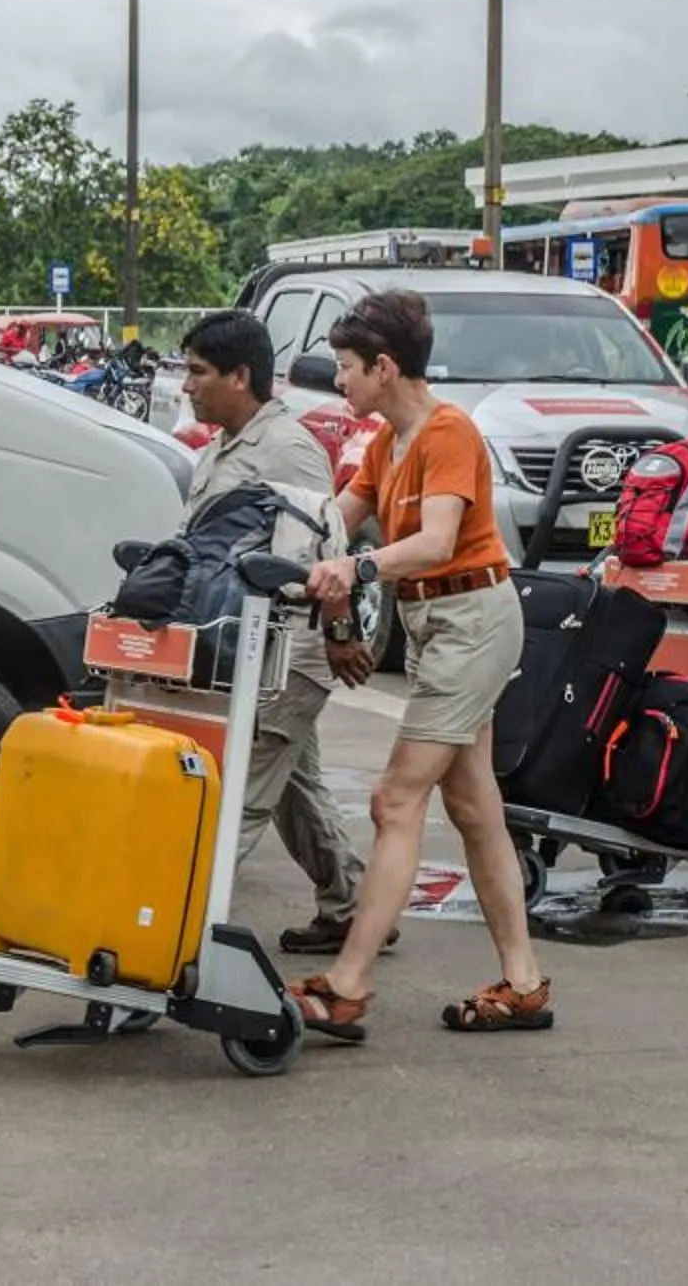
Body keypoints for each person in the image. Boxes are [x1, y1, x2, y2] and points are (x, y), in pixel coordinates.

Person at [286, 291, 551, 1041]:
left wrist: (355, 570)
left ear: (385, 367)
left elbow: (436, 542)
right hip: (438, 624)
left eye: (345, 369)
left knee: (395, 802)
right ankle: (523, 982)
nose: (338, 382)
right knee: (473, 809)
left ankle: (349, 984)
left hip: (471, 622)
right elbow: (337, 518)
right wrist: (282, 544)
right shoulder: (387, 442)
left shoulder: (446, 433)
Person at [170, 309, 381, 957]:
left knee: (238, 790)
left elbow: (323, 550)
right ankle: (352, 907)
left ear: (239, 376)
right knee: (293, 783)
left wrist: (340, 632)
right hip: (249, 648)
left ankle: (174, 928)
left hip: (292, 647)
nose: (186, 386)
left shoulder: (285, 449)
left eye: (198, 372)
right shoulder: (221, 450)